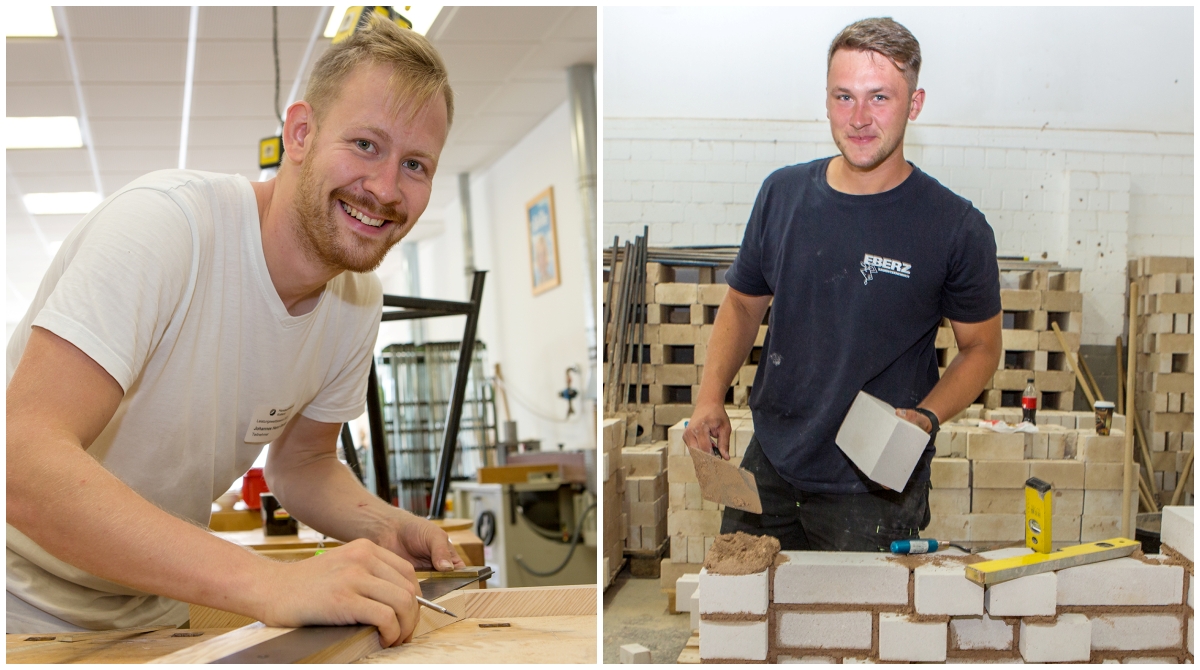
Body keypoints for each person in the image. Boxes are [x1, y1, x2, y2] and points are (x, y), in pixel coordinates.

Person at [6, 18, 464, 646]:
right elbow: (20, 458)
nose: (385, 189)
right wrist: (270, 583)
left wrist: (381, 525)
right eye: (365, 144)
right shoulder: (164, 230)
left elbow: (302, 463)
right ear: (300, 133)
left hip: (151, 614)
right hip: (15, 608)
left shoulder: (357, 300)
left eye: (415, 164)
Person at [683, 17, 1002, 552]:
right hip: (773, 459)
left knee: (860, 635)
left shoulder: (955, 226)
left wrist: (925, 416)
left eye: (879, 97)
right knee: (745, 621)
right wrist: (710, 396)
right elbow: (741, 305)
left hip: (873, 482)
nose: (859, 118)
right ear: (826, 100)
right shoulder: (781, 195)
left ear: (914, 104)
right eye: (844, 96)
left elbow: (981, 348)